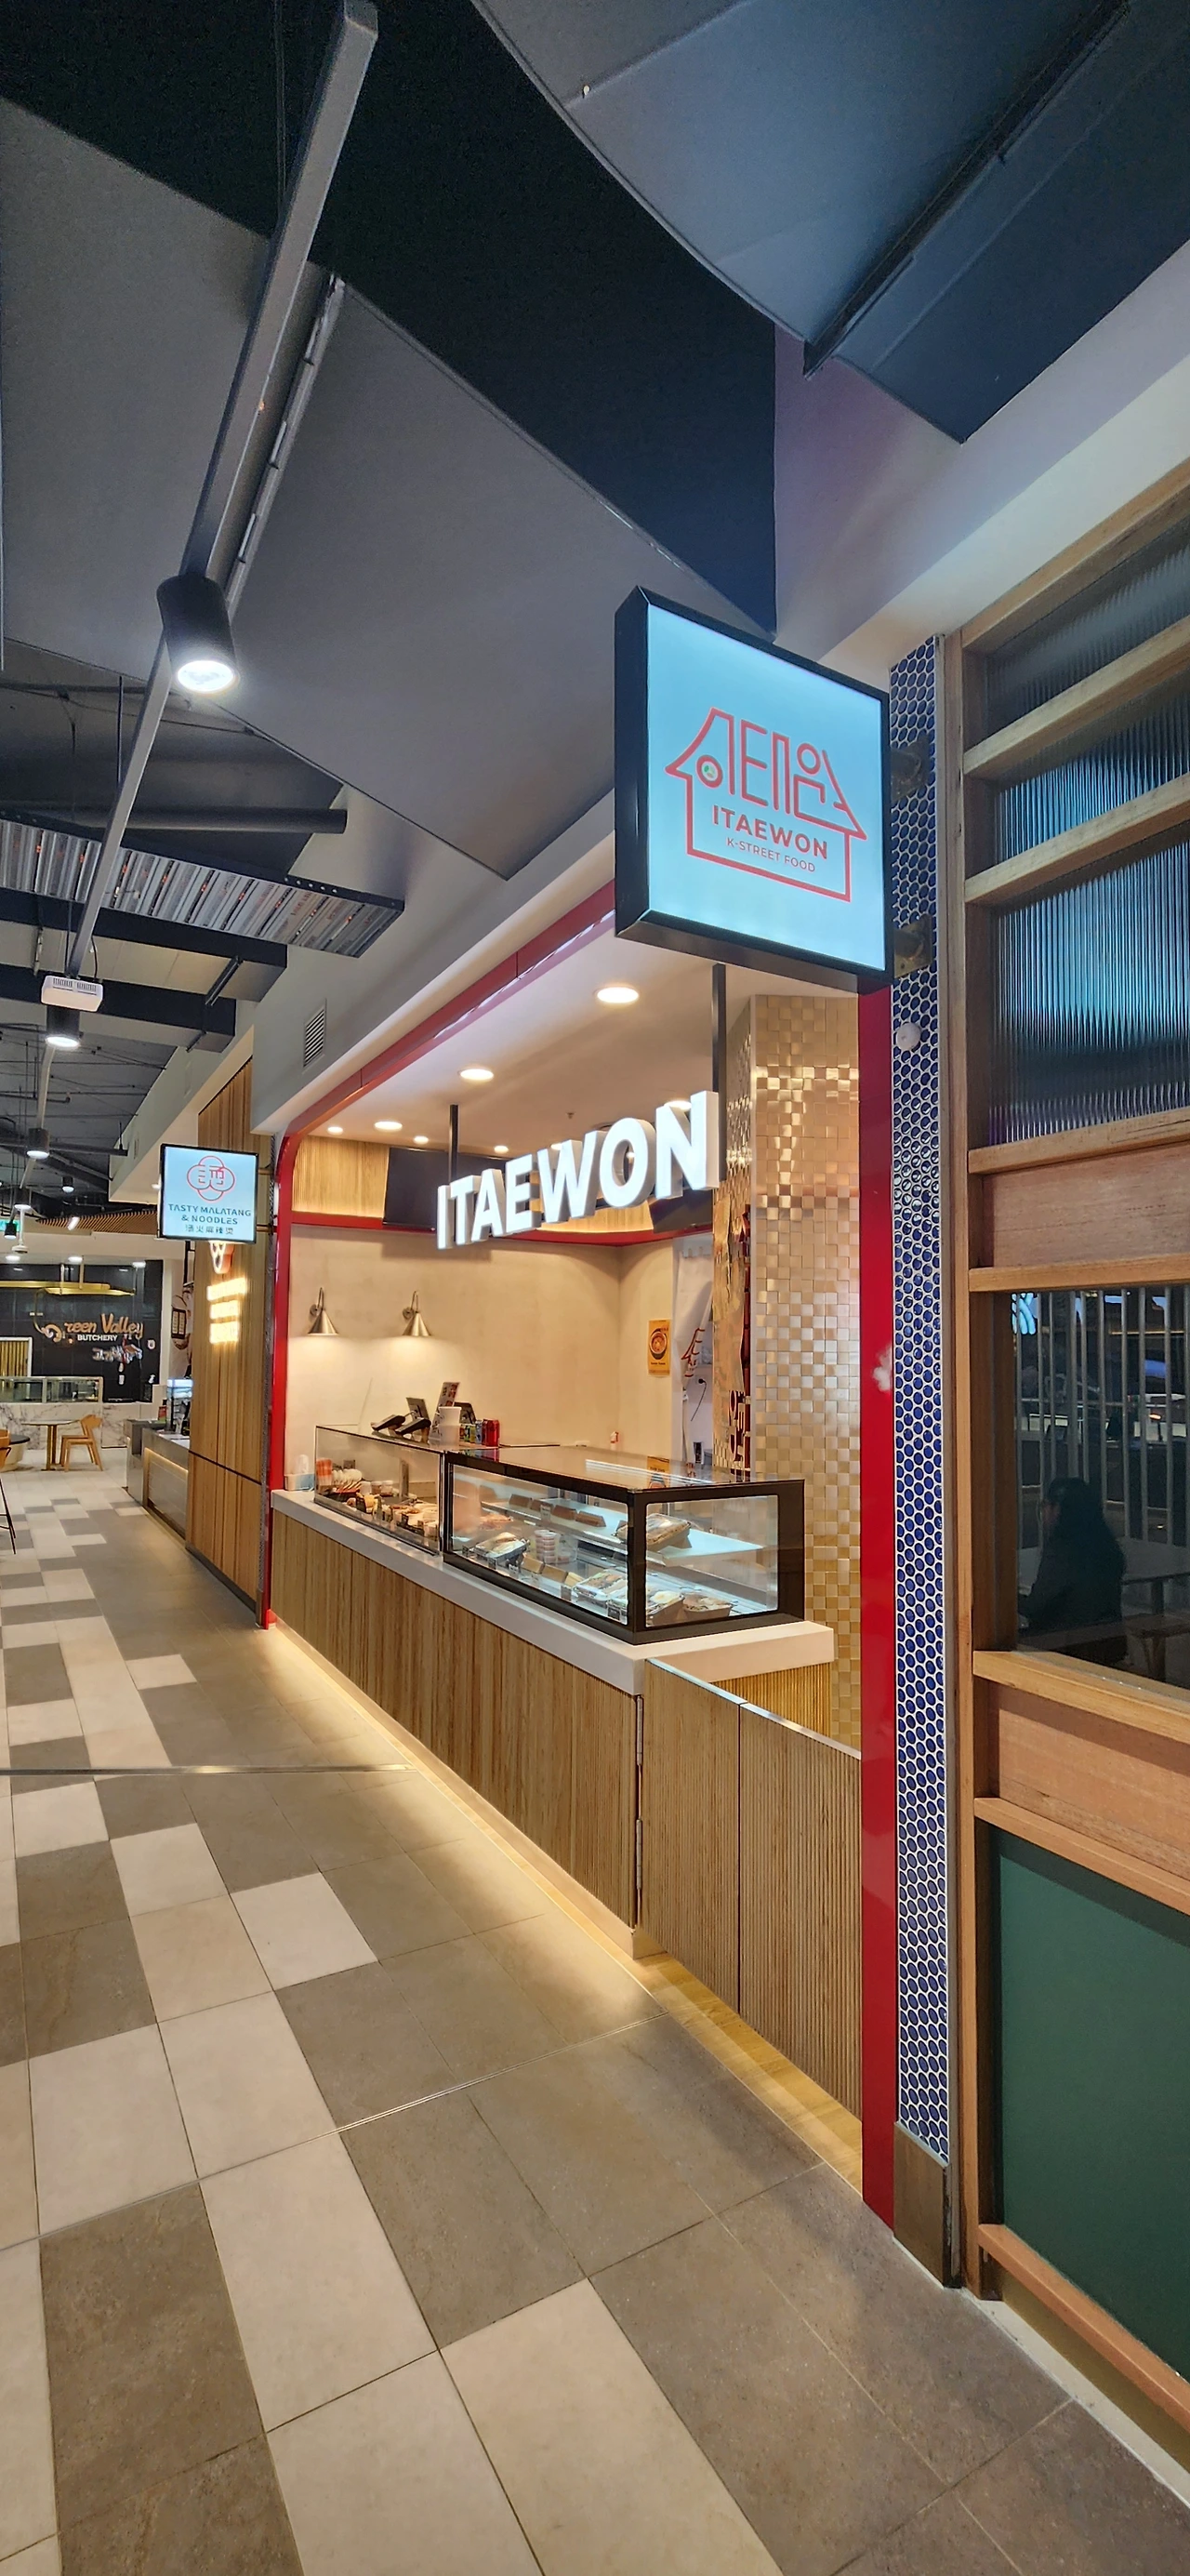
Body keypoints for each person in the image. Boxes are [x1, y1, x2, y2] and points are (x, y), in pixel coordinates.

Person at [1020, 1476, 1127, 1666]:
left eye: (1046, 1505)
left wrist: (1006, 1596)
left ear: (1057, 1510)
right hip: (1106, 1645)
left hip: (1065, 1648)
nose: (1043, 1512)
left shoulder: (1061, 1550)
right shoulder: (1107, 1546)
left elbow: (1034, 1608)